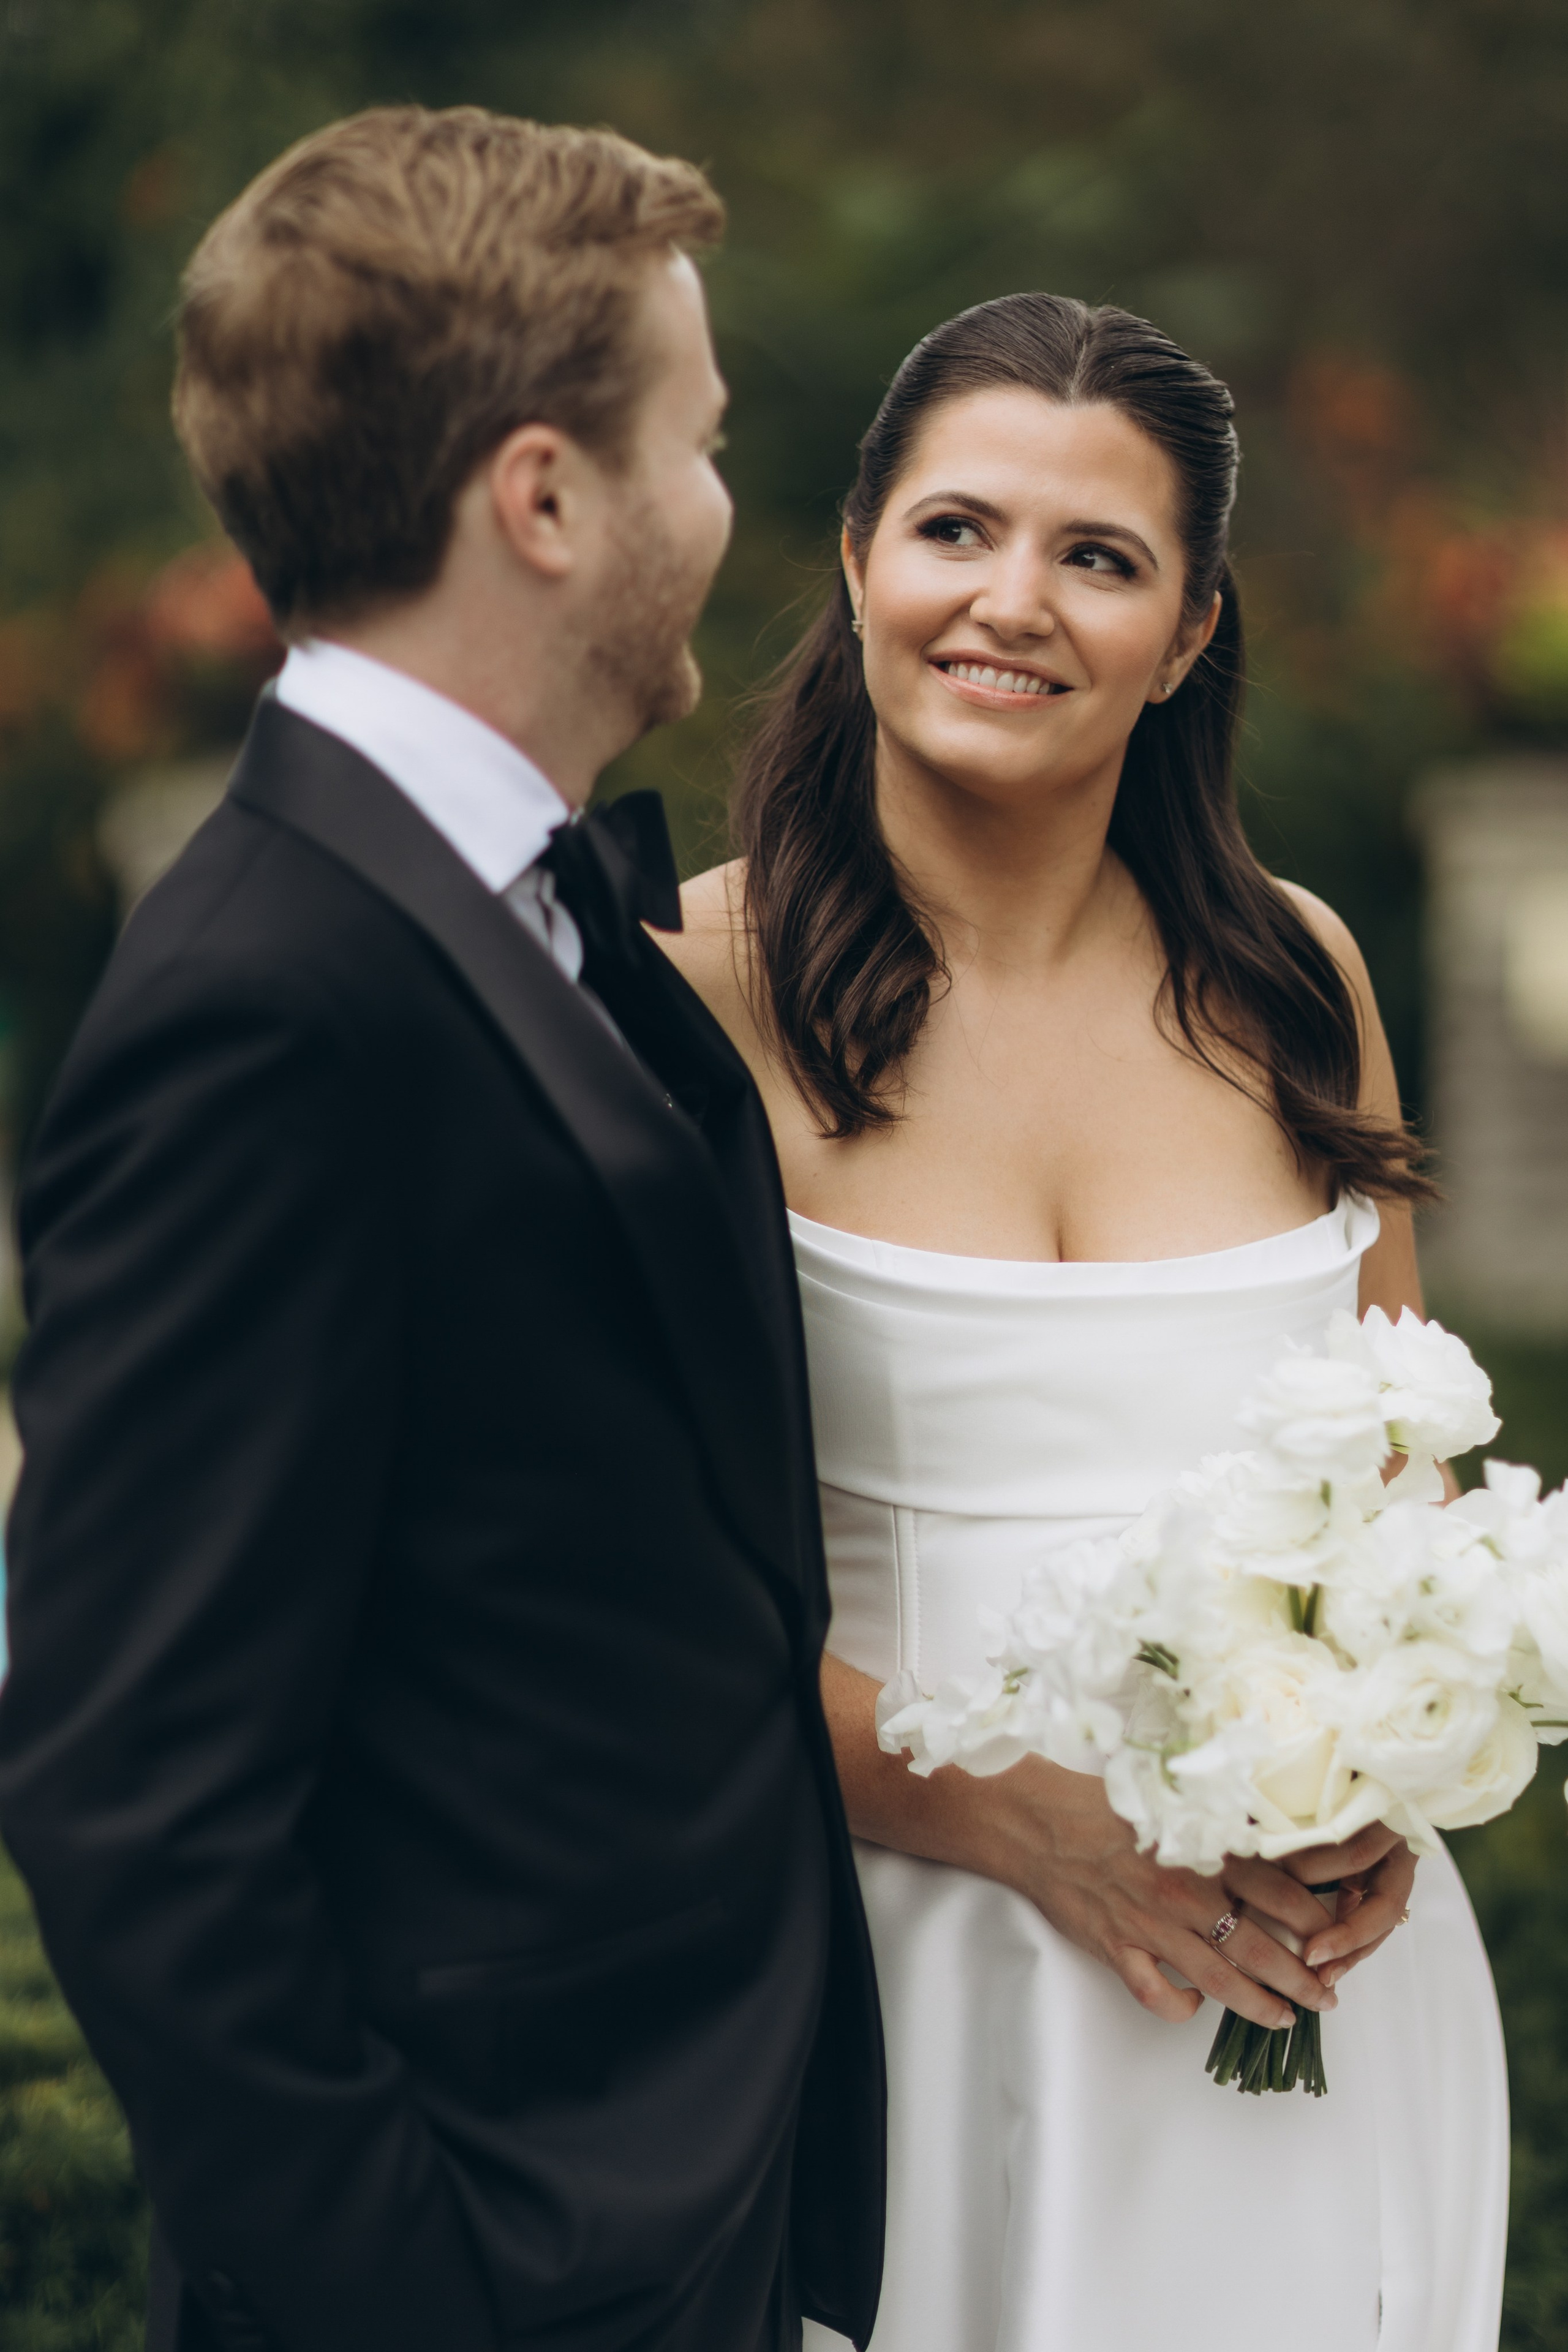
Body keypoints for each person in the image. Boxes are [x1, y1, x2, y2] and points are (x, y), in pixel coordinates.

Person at [0, 107, 884, 2352]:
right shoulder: (266, 1004)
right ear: (546, 497)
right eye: (698, 441)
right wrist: (423, 2285)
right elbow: (136, 1801)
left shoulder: (515, 901)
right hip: (500, 2265)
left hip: (694, 2207)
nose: (724, 500)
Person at [665, 293, 1507, 2352]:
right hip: (897, 1979)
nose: (1012, 603)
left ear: (1191, 629)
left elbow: (1412, 1490)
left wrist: (1391, 1784)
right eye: (957, 529)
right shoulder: (686, 985)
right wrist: (1007, 1820)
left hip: (1312, 1991)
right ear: (858, 551)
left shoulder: (1296, 977)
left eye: (1100, 557)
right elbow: (608, 1590)